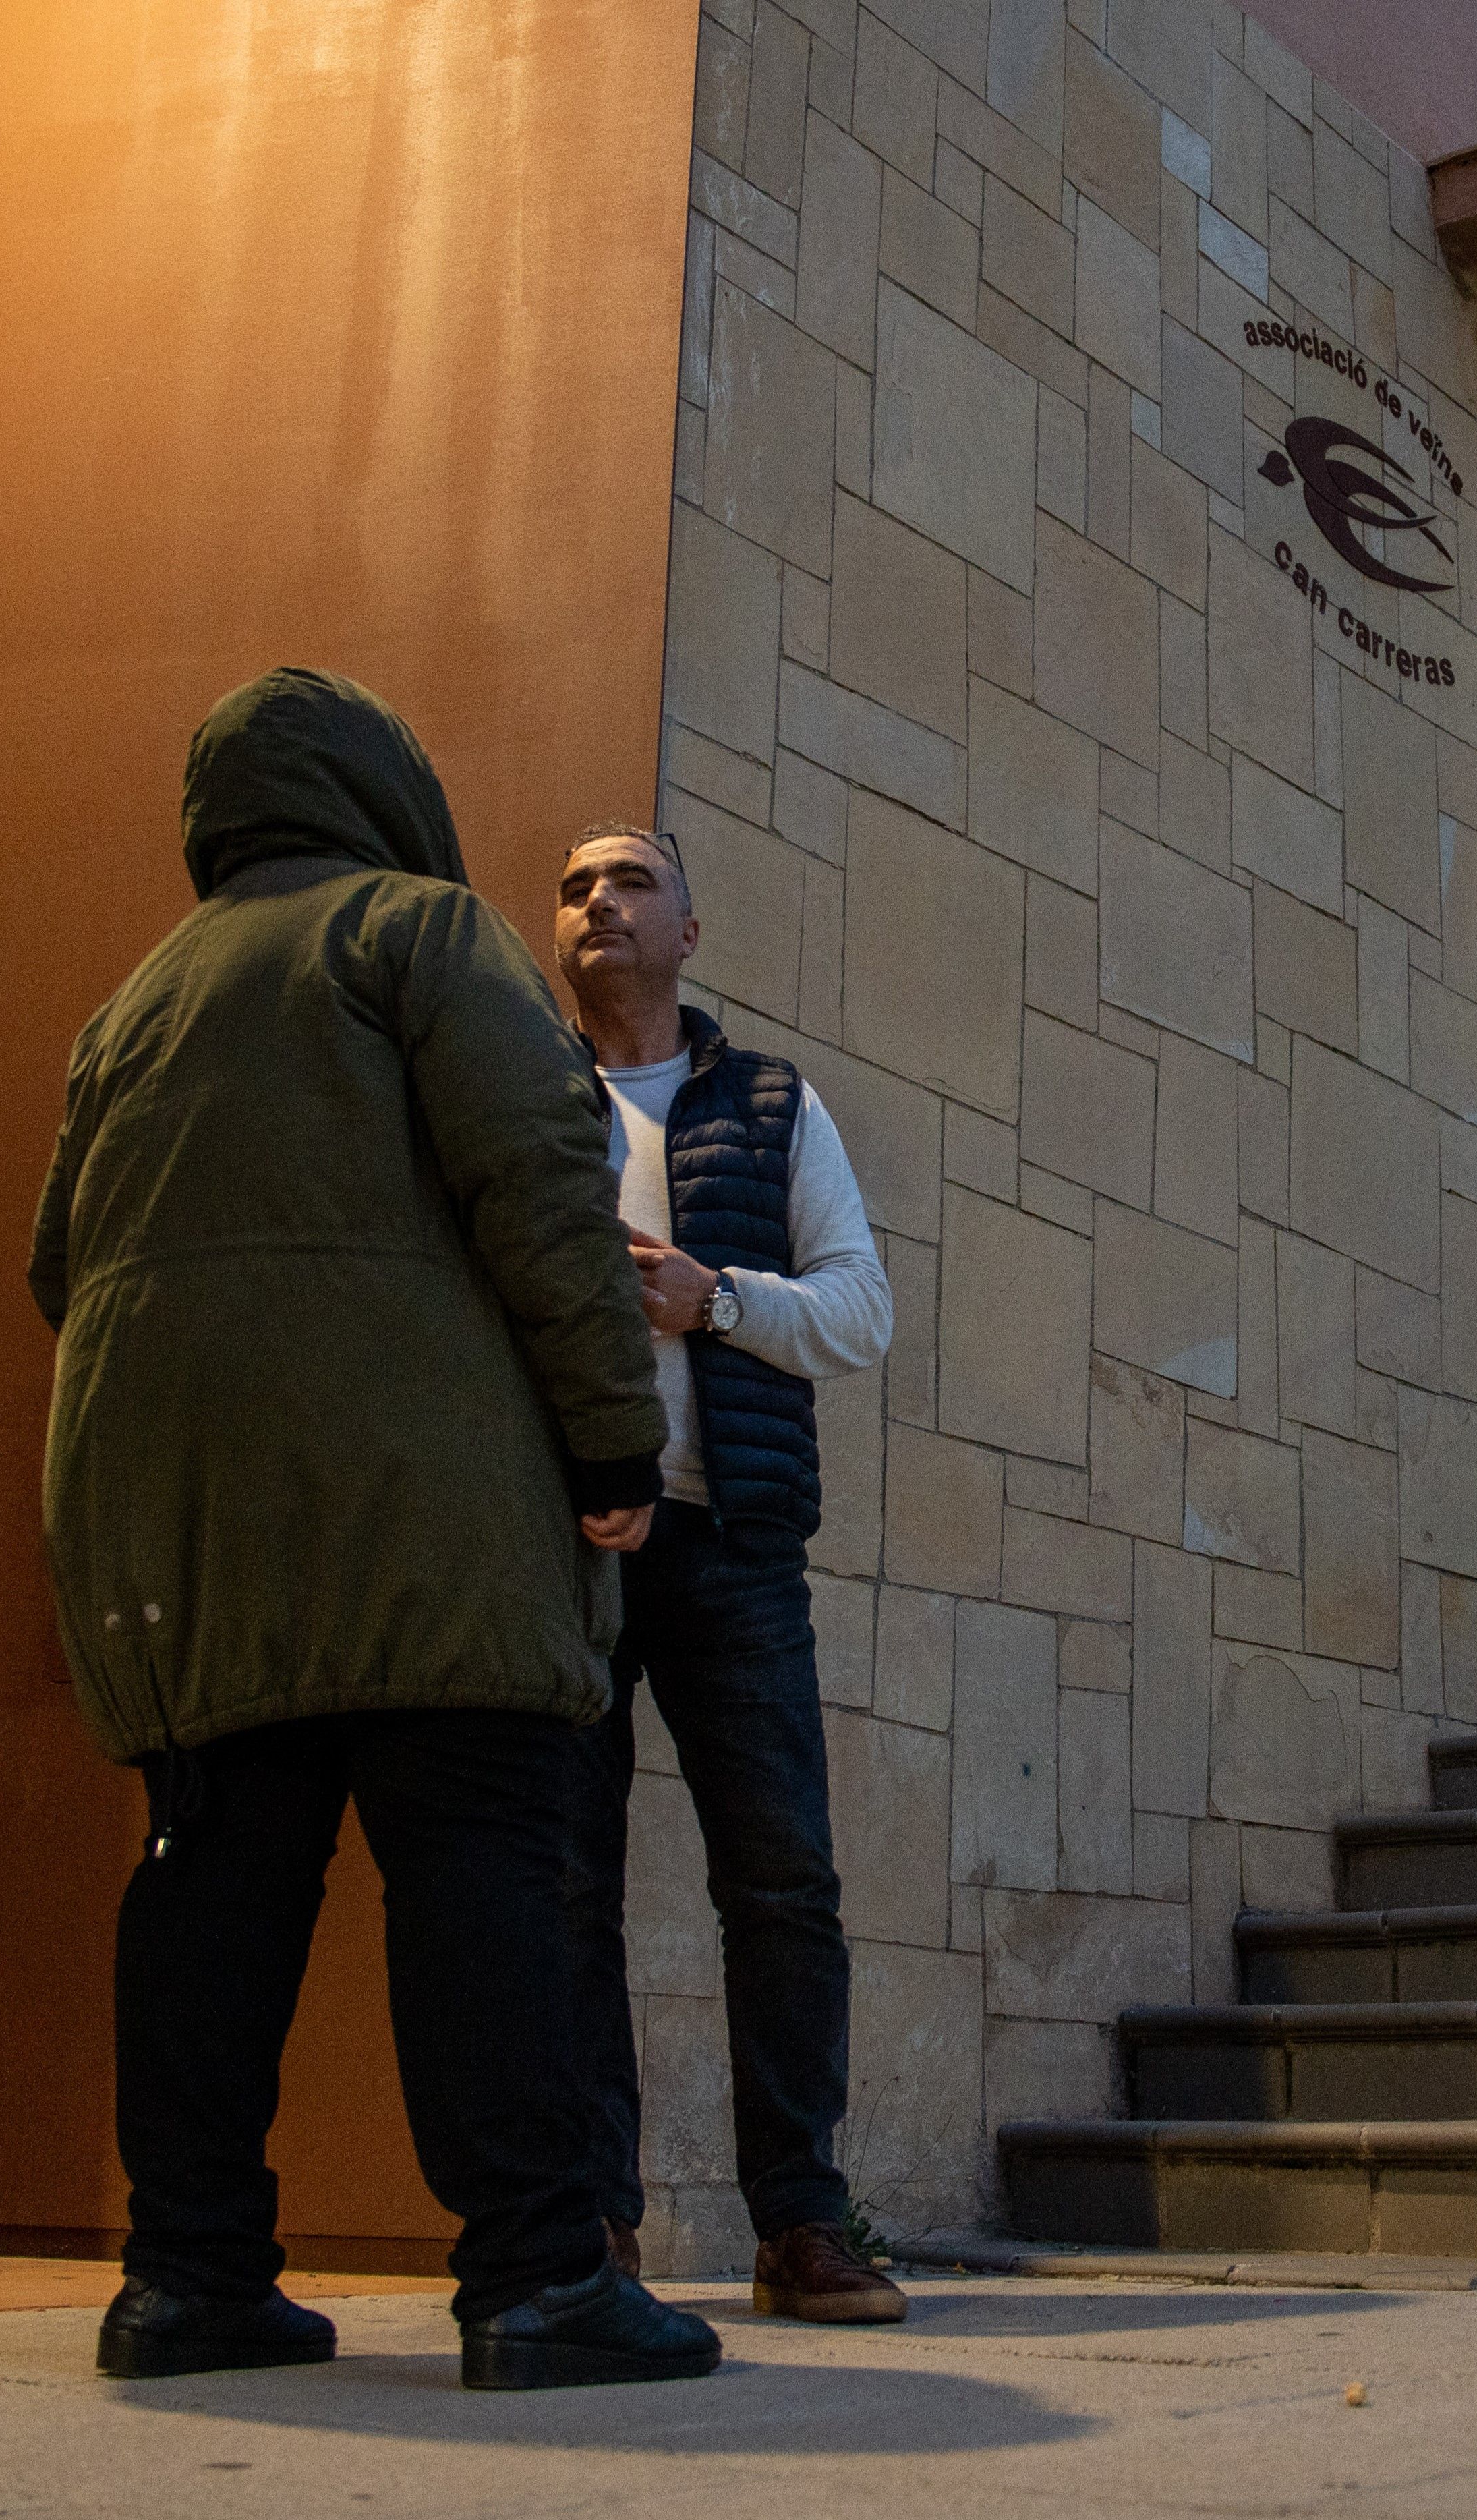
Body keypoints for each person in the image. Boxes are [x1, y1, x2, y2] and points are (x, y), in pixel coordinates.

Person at [30, 673, 720, 2391]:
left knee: (211, 1876)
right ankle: (541, 2274)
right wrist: (615, 1435)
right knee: (481, 1862)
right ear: (381, 789)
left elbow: (59, 1263)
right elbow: (546, 1196)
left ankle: (187, 2277)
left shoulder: (133, 1004)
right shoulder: (417, 932)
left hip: (176, 1524)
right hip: (424, 1509)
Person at [550, 823, 906, 2324]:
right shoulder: (513, 1092)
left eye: (629, 879)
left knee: (782, 1882)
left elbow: (861, 1310)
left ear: (690, 926)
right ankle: (590, 2232)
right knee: (562, 1885)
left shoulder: (771, 1101)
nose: (600, 902)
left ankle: (802, 2223)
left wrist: (717, 1300)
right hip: (563, 1546)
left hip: (738, 1543)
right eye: (572, 885)